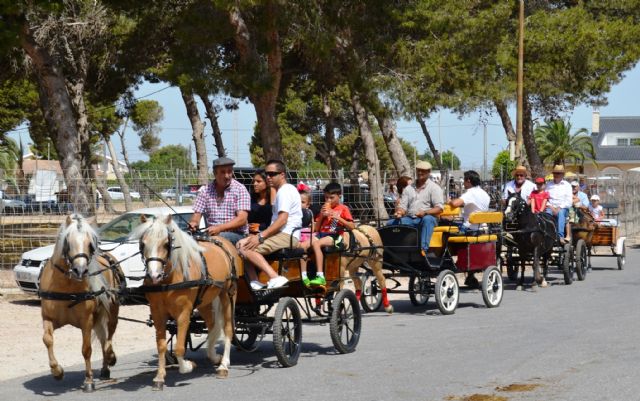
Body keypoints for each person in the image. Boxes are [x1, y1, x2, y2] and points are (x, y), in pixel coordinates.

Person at [237, 160, 303, 290]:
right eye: (267, 174)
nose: (268, 177)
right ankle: (255, 283)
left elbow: (282, 220)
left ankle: (275, 277)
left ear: (282, 175)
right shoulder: (281, 191)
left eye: (272, 174)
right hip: (279, 234)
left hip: (287, 235)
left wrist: (260, 236)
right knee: (240, 244)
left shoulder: (285, 191)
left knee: (246, 249)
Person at [298, 183, 354, 287]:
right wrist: (321, 217)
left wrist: (338, 218)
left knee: (317, 244)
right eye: (326, 197)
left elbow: (352, 226)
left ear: (339, 196)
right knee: (302, 246)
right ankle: (304, 276)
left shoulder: (343, 208)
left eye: (331, 198)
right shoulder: (323, 208)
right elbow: (316, 229)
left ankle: (320, 276)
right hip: (321, 233)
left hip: (335, 236)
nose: (328, 200)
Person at [388, 160, 444, 258]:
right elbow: (403, 206)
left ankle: (423, 250)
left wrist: (425, 212)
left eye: (423, 171)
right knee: (390, 224)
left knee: (428, 219)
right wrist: (399, 212)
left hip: (428, 219)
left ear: (429, 172)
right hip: (410, 219)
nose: (420, 173)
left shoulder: (434, 188)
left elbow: (439, 209)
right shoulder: (408, 189)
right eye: (418, 170)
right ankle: (391, 250)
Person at [188, 157, 250, 245]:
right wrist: (193, 223)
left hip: (238, 235)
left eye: (229, 171)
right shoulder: (205, 190)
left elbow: (242, 219)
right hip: (212, 234)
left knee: (216, 238)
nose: (227, 176)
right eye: (223, 172)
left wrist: (220, 228)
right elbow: (196, 215)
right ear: (214, 174)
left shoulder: (240, 189)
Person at [545, 164, 573, 243]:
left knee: (560, 213)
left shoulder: (567, 185)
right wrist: (550, 206)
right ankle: (547, 234)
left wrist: (559, 207)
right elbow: (545, 198)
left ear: (562, 175)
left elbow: (569, 201)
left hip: (562, 208)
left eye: (558, 173)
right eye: (555, 173)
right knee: (545, 215)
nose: (556, 175)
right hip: (550, 207)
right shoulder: (548, 184)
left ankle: (560, 236)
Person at [247, 169, 272, 234]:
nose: (255, 184)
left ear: (267, 182)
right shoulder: (250, 198)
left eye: (258, 181)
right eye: (254, 181)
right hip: (249, 233)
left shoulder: (272, 199)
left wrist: (260, 227)